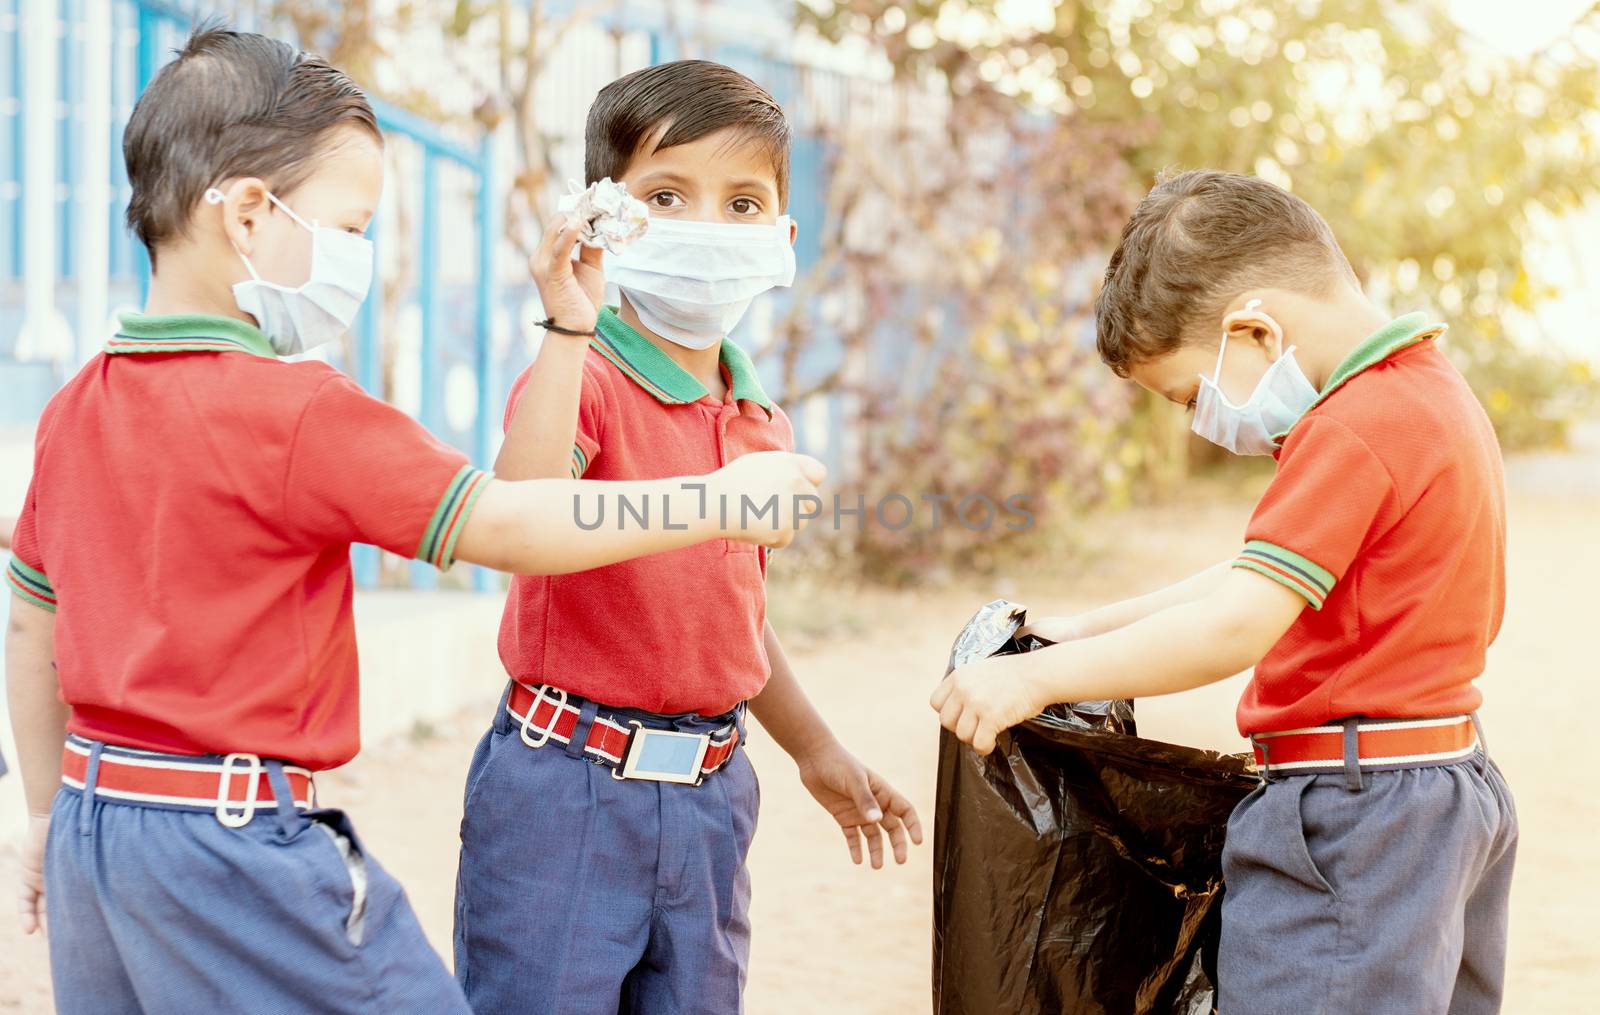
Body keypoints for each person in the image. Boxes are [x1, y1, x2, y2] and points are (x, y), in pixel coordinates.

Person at [5, 28, 823, 1015]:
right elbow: (510, 525)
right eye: (351, 229)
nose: (359, 259)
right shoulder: (303, 410)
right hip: (236, 834)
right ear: (254, 215)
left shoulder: (74, 406)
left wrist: (43, 813)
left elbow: (29, 615)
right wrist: (722, 502)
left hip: (100, 821)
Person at [932, 169, 1517, 1014]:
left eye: (1186, 394)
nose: (1199, 419)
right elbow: (1251, 578)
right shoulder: (1427, 393)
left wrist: (1035, 678)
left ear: (1252, 330)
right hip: (1436, 790)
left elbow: (1240, 622)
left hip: (1354, 821)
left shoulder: (1351, 426)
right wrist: (1083, 629)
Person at [451, 60, 922, 1014]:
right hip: (564, 792)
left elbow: (733, 606)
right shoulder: (578, 376)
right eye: (666, 195)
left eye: (743, 203)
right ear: (602, 218)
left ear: (785, 239)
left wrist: (814, 745)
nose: (709, 226)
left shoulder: (760, 420)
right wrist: (565, 325)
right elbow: (522, 512)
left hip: (711, 797)